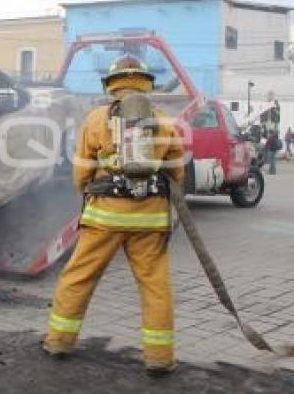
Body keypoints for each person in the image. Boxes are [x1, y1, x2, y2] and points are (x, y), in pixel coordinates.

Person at [43, 54, 184, 377]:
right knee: (155, 286)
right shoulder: (165, 120)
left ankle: (60, 342)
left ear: (112, 84)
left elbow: (81, 171)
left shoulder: (95, 119)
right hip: (149, 221)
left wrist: (88, 191)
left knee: (78, 278)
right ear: (146, 82)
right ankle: (159, 358)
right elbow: (176, 172)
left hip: (104, 217)